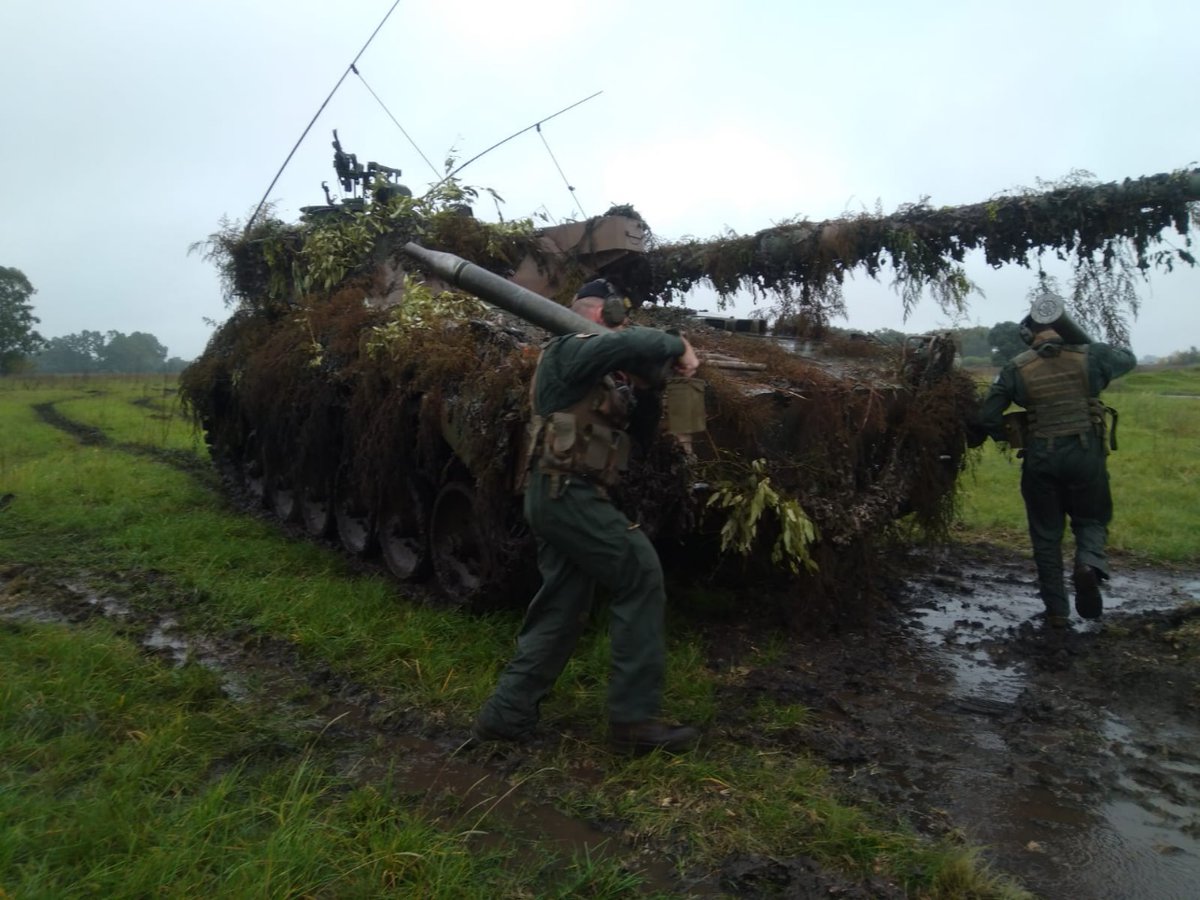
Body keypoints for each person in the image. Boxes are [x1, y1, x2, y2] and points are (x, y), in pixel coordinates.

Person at [472, 279, 701, 754]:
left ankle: (505, 715)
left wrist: (651, 386)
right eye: (617, 314)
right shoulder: (569, 347)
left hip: (567, 495)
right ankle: (634, 724)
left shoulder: (602, 370)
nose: (624, 322)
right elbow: (626, 343)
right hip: (565, 493)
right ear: (598, 313)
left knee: (561, 608)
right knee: (640, 574)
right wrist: (676, 342)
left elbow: (637, 433)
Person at [977, 315, 1135, 627]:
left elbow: (987, 417)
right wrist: (1082, 339)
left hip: (1040, 457)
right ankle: (1088, 564)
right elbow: (1128, 359)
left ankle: (1057, 611)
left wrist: (1010, 436)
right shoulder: (1092, 356)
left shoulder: (1015, 368)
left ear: (1027, 336)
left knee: (1045, 534)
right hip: (1086, 454)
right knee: (1091, 519)